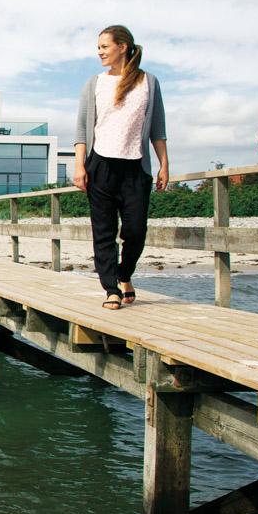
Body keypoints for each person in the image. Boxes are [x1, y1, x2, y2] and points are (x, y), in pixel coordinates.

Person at [72, 25, 168, 311]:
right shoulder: (94, 84)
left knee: (136, 231)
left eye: (104, 46)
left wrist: (163, 165)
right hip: (100, 165)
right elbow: (81, 129)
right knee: (103, 232)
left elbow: (158, 128)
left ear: (123, 47)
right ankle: (111, 289)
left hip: (136, 167)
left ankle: (124, 274)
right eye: (98, 47)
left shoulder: (149, 82)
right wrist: (80, 166)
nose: (99, 52)